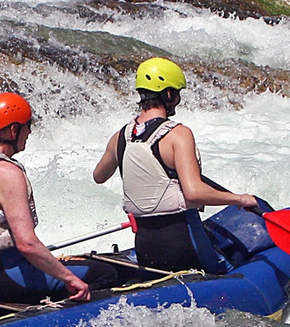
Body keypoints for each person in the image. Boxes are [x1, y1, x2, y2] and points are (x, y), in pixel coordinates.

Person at [0, 93, 114, 304]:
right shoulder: (6, 172)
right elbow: (27, 244)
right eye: (28, 126)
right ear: (14, 130)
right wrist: (69, 278)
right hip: (7, 281)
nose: (29, 132)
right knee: (104, 272)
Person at [92, 59, 259, 272]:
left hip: (146, 249)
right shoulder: (178, 134)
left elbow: (99, 176)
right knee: (238, 259)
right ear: (168, 94)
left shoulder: (120, 138)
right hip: (184, 243)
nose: (178, 100)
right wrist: (239, 199)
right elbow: (194, 192)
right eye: (177, 93)